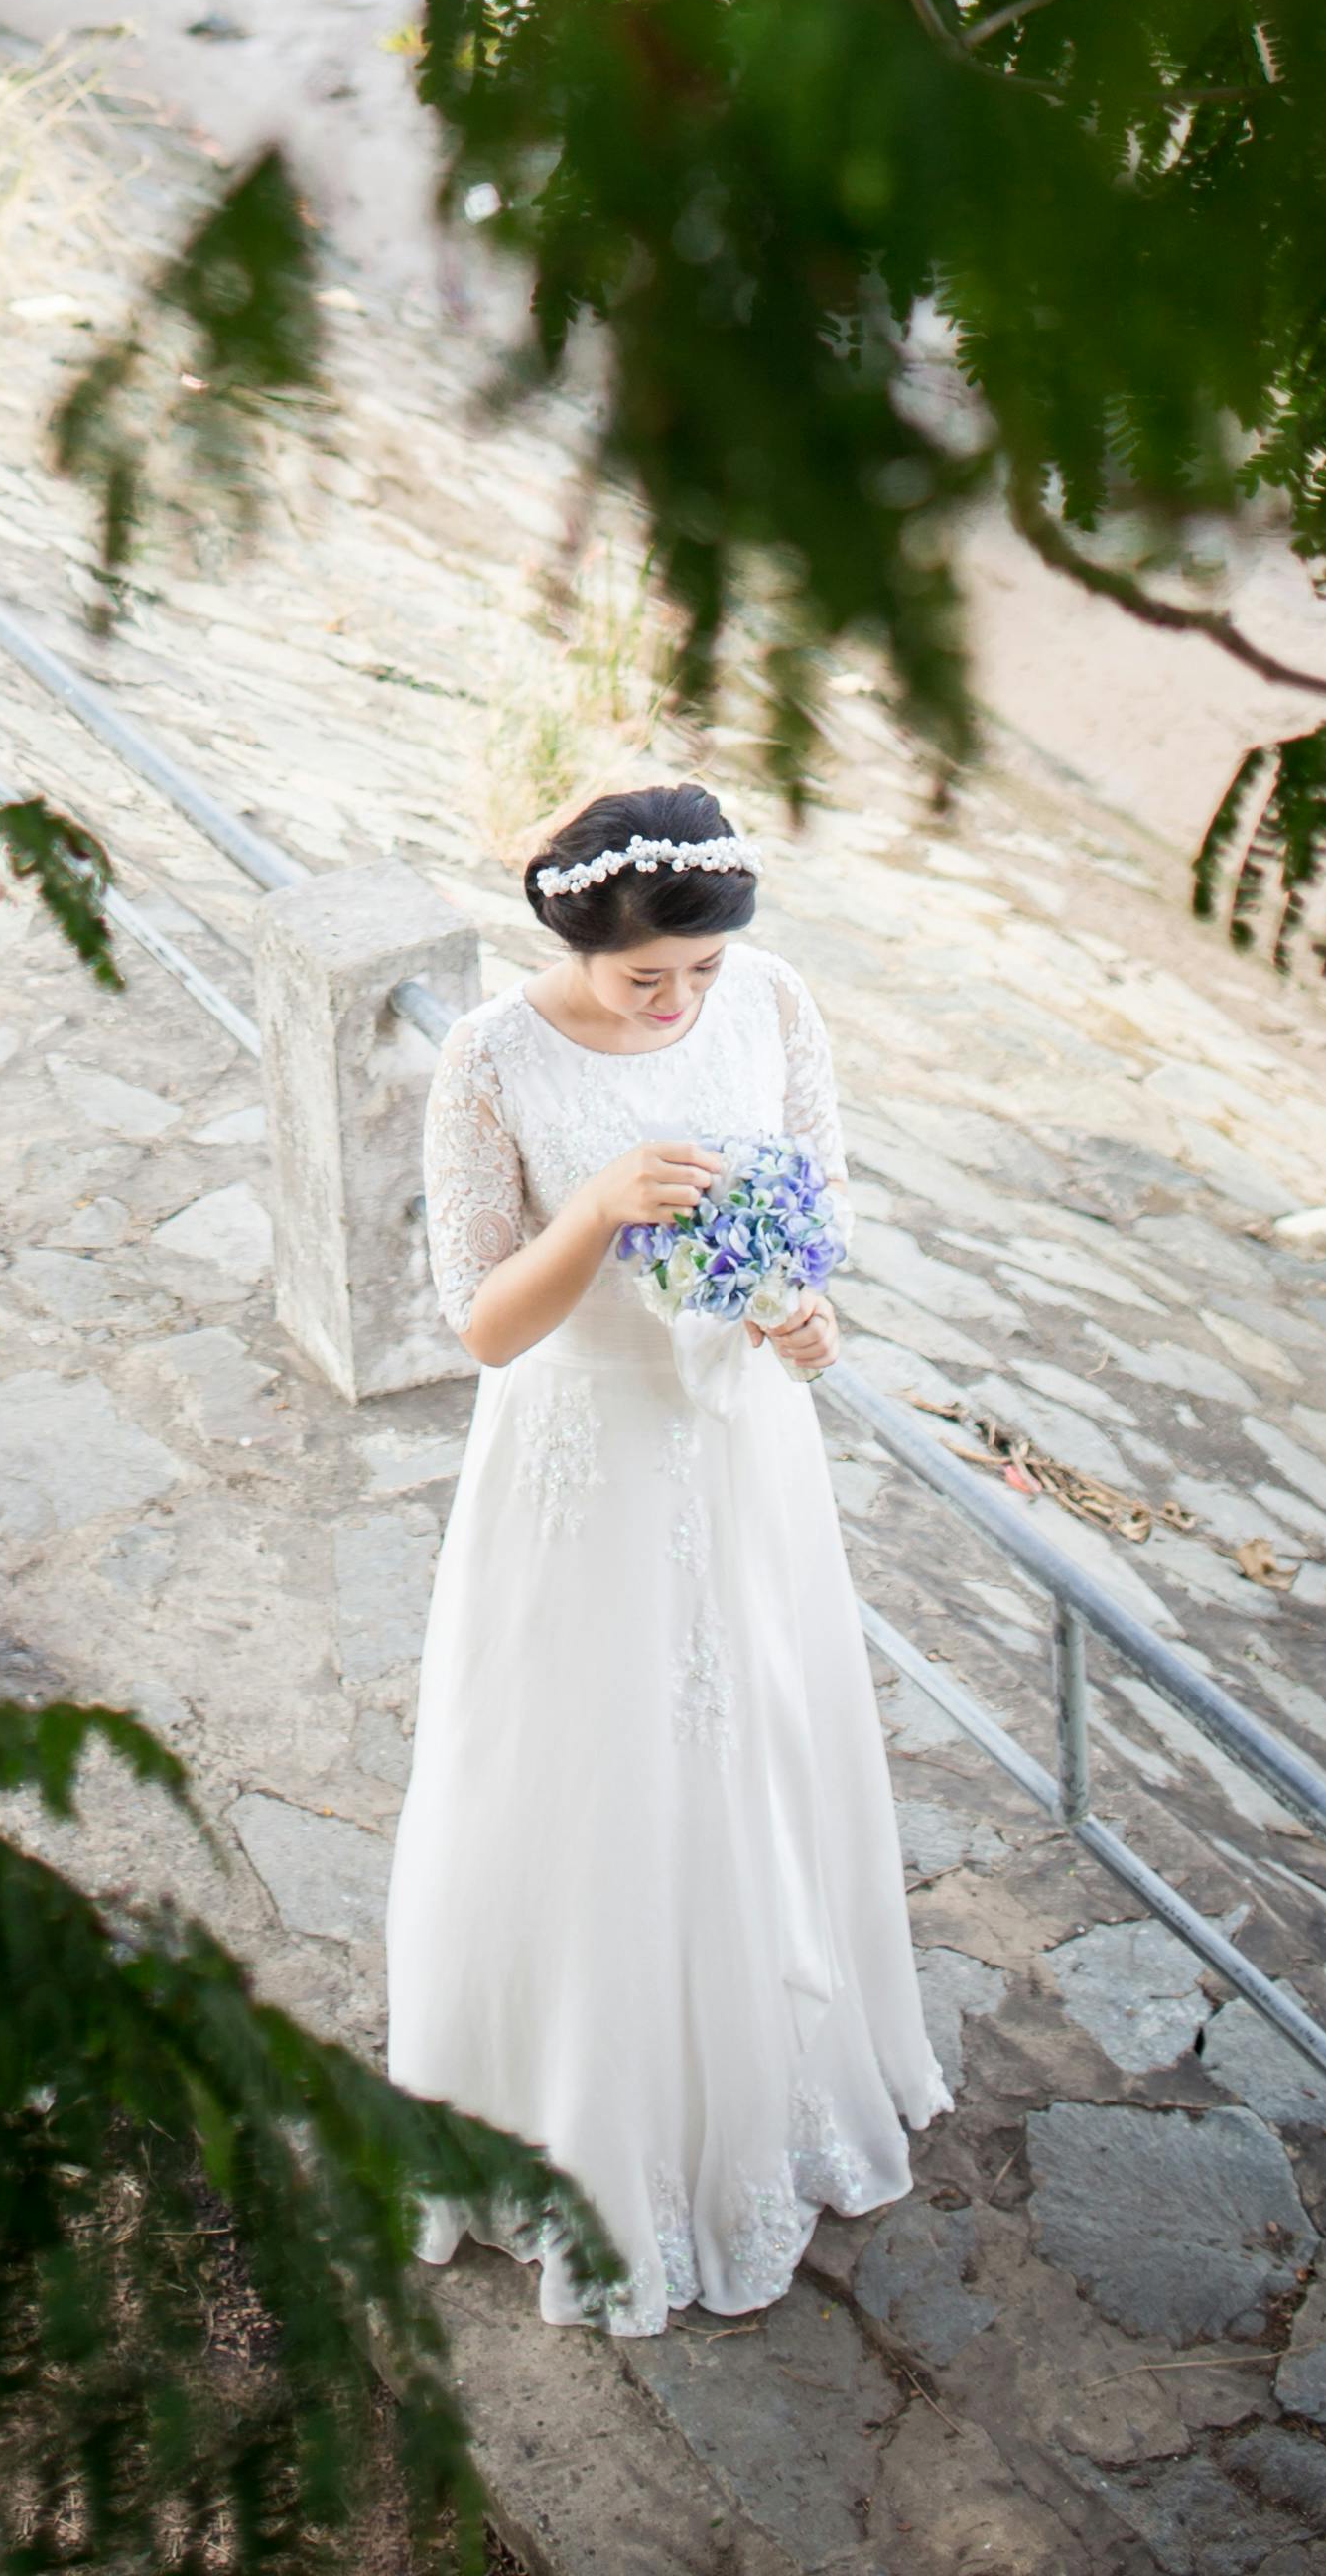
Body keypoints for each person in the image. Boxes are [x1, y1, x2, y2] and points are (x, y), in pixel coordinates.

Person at [381, 774, 945, 2330]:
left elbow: (812, 1194)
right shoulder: (494, 1060)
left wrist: (812, 1304)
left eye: (700, 969)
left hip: (744, 1446)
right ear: (577, 938)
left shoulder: (771, 1000)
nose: (681, 1001)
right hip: (583, 1465)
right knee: (586, 1774)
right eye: (649, 979)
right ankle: (580, 2124)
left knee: (760, 1741)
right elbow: (484, 1322)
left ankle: (772, 2076)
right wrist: (602, 1212)